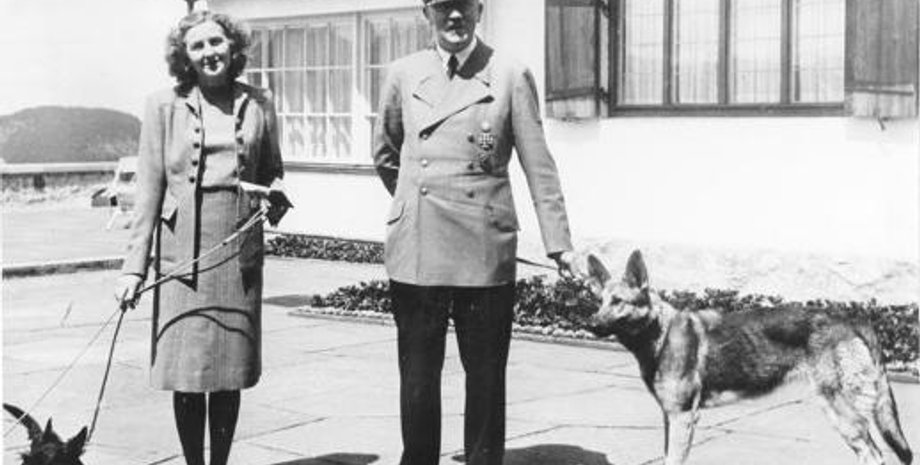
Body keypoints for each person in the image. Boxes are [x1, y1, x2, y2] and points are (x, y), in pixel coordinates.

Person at [373, 1, 575, 464]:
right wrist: (415, 199)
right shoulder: (404, 73)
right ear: (427, 12)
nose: (455, 17)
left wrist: (559, 243)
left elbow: (539, 165)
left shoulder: (509, 73)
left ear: (479, 10)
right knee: (418, 376)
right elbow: (385, 152)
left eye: (464, 5)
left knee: (485, 376)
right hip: (418, 243)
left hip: (482, 247)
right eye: (444, 6)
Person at [114, 10, 285, 465]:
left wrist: (276, 195)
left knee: (229, 371)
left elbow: (273, 169)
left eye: (216, 42)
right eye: (198, 46)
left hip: (238, 251)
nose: (209, 52)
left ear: (233, 47)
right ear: (184, 56)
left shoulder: (261, 101)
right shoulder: (161, 106)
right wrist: (133, 269)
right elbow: (148, 191)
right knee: (187, 374)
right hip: (181, 254)